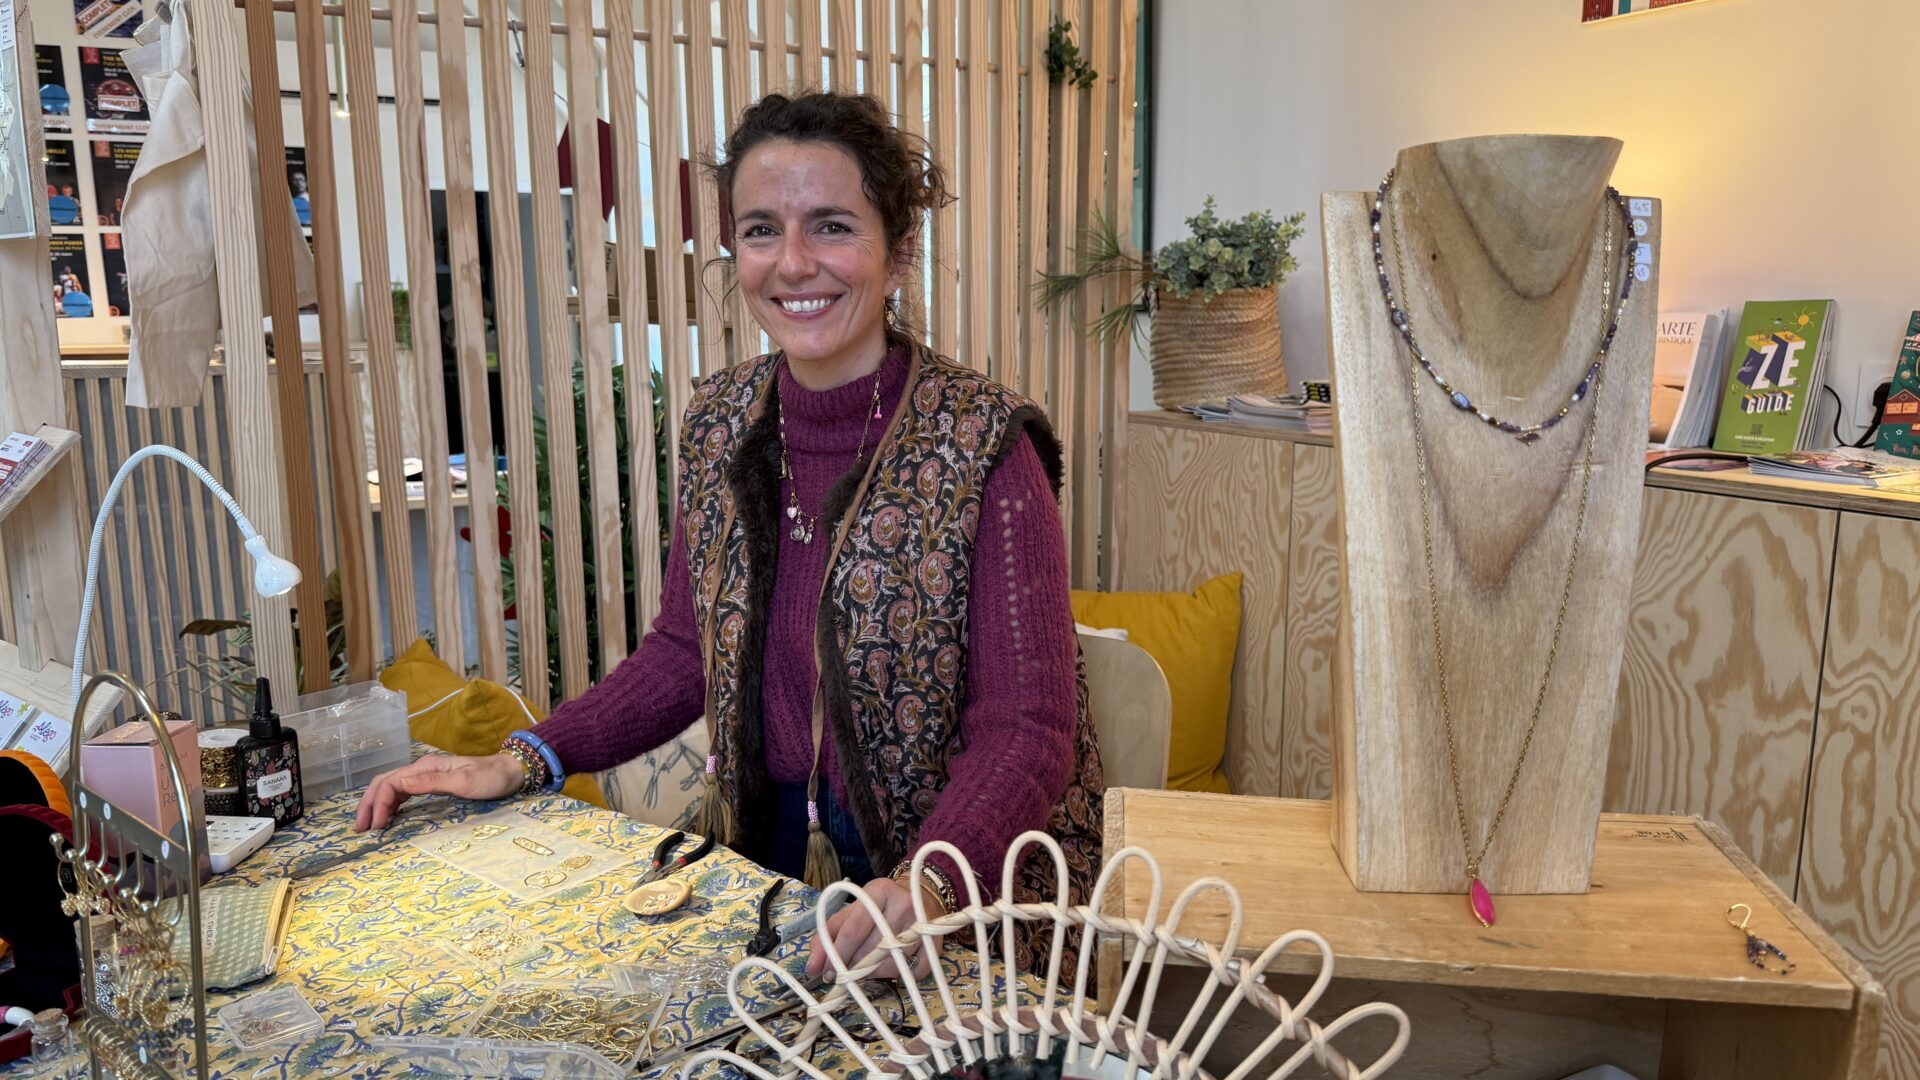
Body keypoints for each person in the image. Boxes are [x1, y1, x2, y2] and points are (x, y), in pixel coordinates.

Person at [356, 90, 1103, 978]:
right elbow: (685, 649)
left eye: (830, 226)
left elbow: (1028, 727)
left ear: (898, 253)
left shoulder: (985, 444)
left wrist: (929, 884)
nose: (792, 264)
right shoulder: (720, 421)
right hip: (767, 854)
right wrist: (527, 757)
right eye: (759, 230)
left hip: (956, 877)